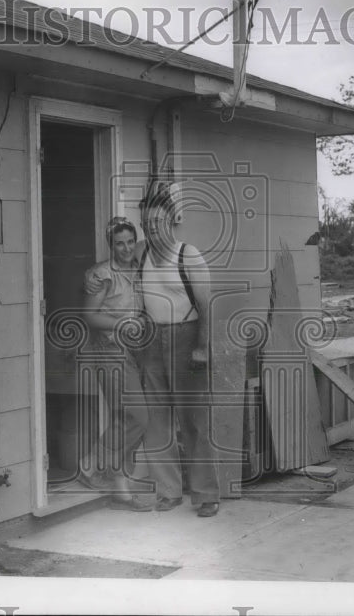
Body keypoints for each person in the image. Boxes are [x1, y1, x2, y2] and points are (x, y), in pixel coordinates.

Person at [133, 188, 221, 518]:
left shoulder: (189, 254)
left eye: (156, 222)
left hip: (186, 338)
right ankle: (168, 492)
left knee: (193, 422)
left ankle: (205, 494)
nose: (150, 228)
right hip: (152, 341)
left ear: (171, 221)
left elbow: (206, 304)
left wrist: (202, 346)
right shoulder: (140, 253)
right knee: (155, 421)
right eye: (145, 223)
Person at [77, 216, 154, 511]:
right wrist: (122, 323)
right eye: (119, 243)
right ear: (111, 245)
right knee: (137, 417)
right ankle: (91, 463)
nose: (125, 248)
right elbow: (91, 316)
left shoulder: (138, 270)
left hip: (135, 351)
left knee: (127, 418)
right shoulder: (102, 274)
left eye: (129, 242)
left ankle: (120, 489)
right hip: (110, 350)